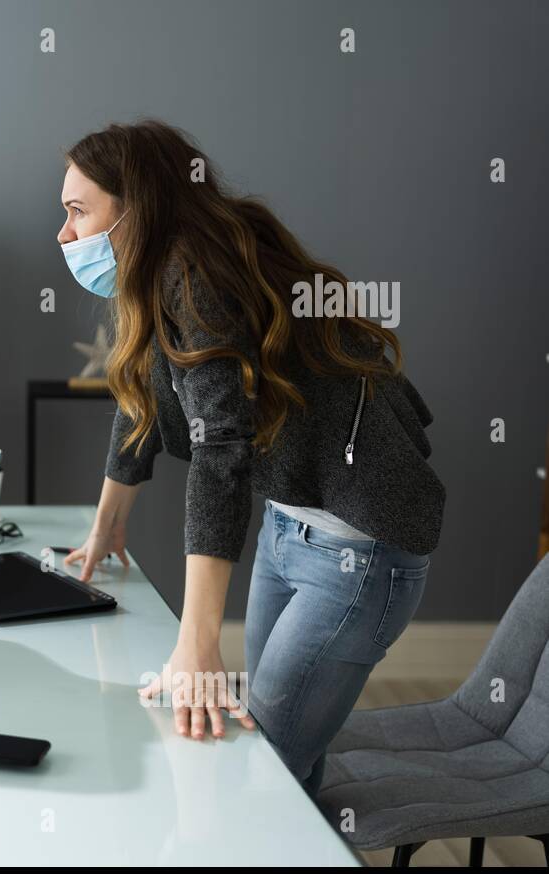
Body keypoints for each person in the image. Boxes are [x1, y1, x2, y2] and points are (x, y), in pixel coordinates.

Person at [58, 120, 443, 800]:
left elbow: (219, 449)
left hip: (357, 545)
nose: (64, 234)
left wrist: (197, 643)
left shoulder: (197, 273)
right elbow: (140, 397)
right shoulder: (164, 273)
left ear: (136, 209)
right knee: (281, 759)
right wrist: (106, 526)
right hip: (288, 527)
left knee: (263, 778)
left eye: (77, 211)